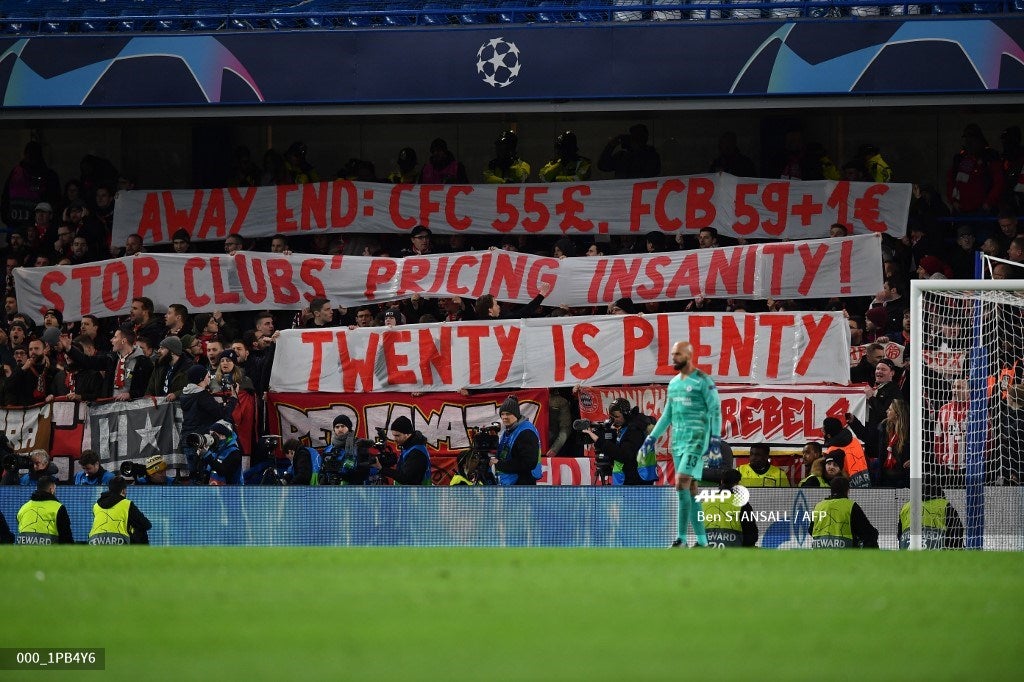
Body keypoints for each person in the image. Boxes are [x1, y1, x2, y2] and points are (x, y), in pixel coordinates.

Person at [642, 340, 720, 548]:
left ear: (688, 355)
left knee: (681, 485)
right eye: (672, 354)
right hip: (678, 444)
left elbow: (715, 411)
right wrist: (651, 438)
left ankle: (681, 539)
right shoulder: (674, 383)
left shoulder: (703, 381)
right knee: (692, 490)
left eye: (677, 354)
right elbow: (667, 415)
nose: (673, 358)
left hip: (696, 441)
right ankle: (703, 542)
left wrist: (714, 441)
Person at [582, 398, 653, 485]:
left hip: (637, 482)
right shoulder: (626, 427)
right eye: (612, 416)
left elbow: (623, 455)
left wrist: (598, 440)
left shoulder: (635, 430)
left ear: (626, 415)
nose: (614, 420)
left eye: (617, 416)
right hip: (631, 478)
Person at [808, 477, 879, 548]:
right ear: (848, 490)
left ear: (831, 490)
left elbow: (811, 530)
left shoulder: (818, 506)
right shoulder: (850, 506)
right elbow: (867, 531)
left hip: (819, 554)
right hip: (844, 554)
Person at [897, 479, 965, 549]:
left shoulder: (906, 507)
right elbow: (957, 532)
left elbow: (900, 535)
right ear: (938, 487)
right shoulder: (945, 505)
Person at [490, 395, 543, 486]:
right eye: (502, 414)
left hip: (523, 485)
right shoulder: (509, 430)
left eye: (508, 414)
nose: (504, 417)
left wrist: (500, 464)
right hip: (512, 482)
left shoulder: (526, 432)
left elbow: (528, 463)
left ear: (516, 414)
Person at [700, 469, 758, 547]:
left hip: (707, 554)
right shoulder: (742, 503)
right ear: (738, 484)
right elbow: (751, 536)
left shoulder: (705, 502)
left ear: (721, 481)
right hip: (734, 555)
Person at [87, 476, 151, 544]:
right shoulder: (126, 504)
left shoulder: (96, 506)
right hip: (119, 542)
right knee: (141, 531)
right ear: (123, 490)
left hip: (94, 542)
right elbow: (146, 525)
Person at [380, 415, 431, 485]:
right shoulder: (409, 446)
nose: (394, 439)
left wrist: (381, 469)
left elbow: (406, 478)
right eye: (393, 435)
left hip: (416, 494)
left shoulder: (416, 452)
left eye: (397, 436)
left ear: (407, 434)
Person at [822, 417, 870, 488]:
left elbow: (830, 474)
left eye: (823, 429)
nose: (822, 430)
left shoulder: (832, 451)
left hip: (846, 486)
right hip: (865, 482)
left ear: (828, 435)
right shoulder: (855, 441)